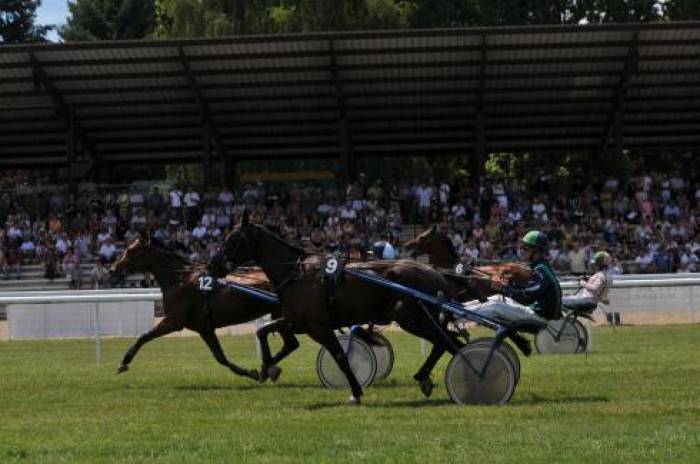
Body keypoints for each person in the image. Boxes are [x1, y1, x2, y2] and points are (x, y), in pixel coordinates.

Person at [468, 230, 562, 323]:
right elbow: (526, 291)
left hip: (545, 319)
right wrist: (507, 286)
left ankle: (461, 315)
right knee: (497, 298)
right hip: (540, 312)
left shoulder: (541, 270)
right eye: (521, 246)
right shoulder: (539, 267)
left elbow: (526, 297)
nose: (521, 250)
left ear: (536, 251)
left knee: (495, 306)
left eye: (525, 247)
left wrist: (504, 288)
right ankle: (463, 307)